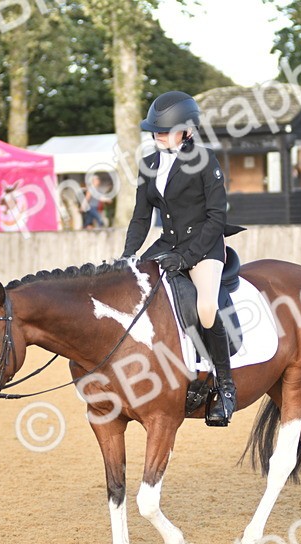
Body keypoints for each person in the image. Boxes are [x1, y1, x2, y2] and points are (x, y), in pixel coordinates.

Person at [121, 90, 246, 426]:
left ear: (187, 130)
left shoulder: (205, 160)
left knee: (205, 308)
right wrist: (128, 256)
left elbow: (216, 217)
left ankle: (225, 385)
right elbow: (140, 218)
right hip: (168, 244)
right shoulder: (149, 163)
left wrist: (186, 257)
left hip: (205, 246)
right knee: (134, 292)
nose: (157, 134)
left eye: (165, 129)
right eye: (155, 129)